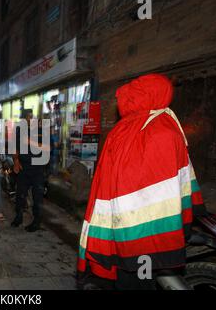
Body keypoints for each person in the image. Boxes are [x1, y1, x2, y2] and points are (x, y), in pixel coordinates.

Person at [77, 74, 206, 290]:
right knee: (137, 277)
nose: (120, 104)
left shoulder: (139, 129)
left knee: (136, 279)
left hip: (138, 230)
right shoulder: (163, 126)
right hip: (146, 227)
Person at [12, 110, 50, 232]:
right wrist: (16, 161)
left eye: (31, 117)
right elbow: (15, 148)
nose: (30, 120)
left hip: (38, 169)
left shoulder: (42, 132)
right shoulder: (20, 131)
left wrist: (30, 142)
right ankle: (18, 216)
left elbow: (47, 148)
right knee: (20, 195)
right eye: (27, 118)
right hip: (24, 168)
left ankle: (36, 222)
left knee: (37, 197)